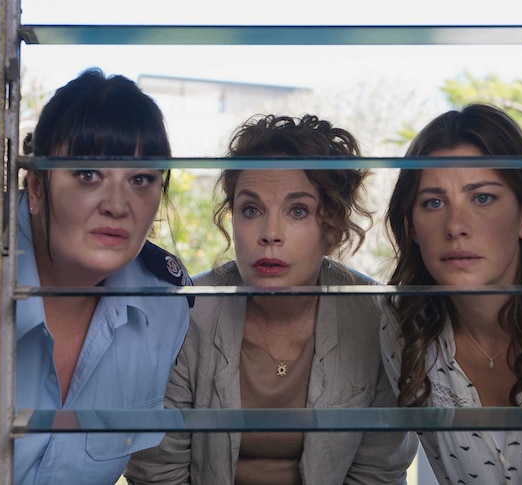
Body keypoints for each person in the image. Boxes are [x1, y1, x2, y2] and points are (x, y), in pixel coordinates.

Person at [126, 114, 417, 484]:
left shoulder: (375, 318)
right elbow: (157, 471)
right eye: (251, 209)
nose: (270, 233)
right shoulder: (188, 312)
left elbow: (378, 472)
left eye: (297, 211)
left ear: (332, 227)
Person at [15, 68, 192, 485]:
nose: (117, 205)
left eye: (140, 180)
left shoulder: (164, 306)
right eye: (88, 174)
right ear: (37, 187)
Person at [379, 104, 522, 484]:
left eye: (481, 198)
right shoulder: (403, 330)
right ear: (411, 225)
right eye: (434, 203)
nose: (456, 226)